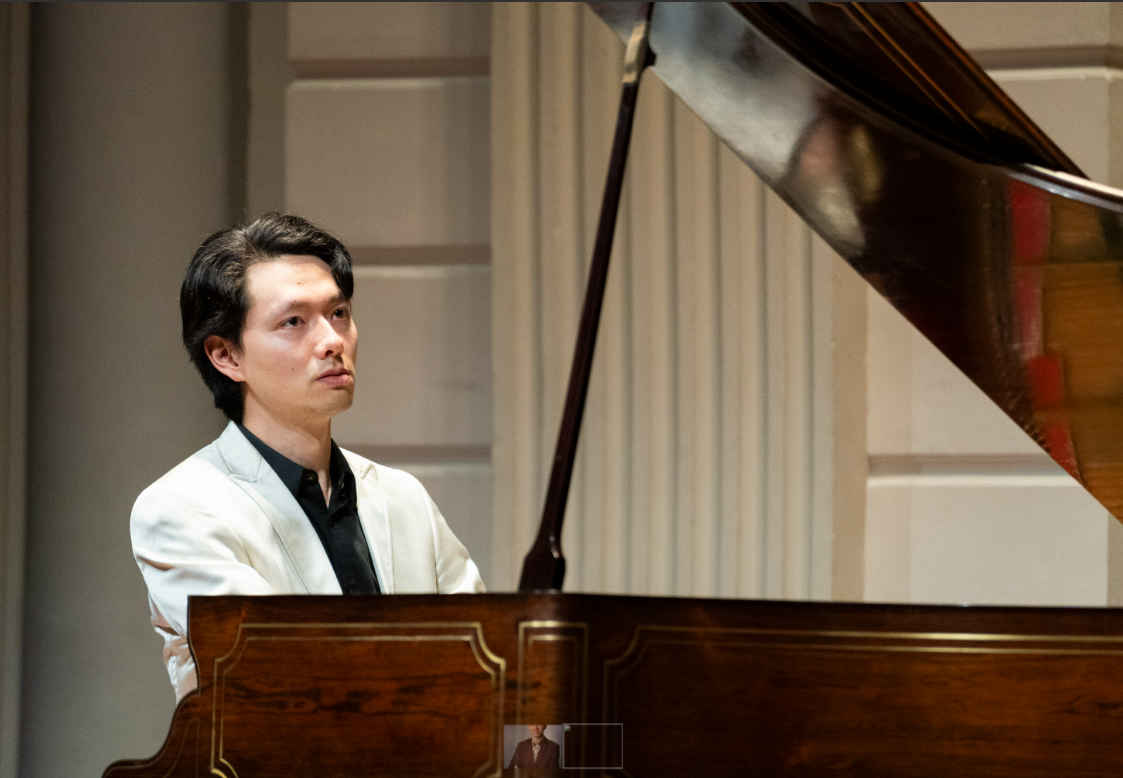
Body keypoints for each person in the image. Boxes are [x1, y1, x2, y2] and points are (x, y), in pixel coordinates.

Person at [131, 213, 484, 701]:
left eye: (339, 313)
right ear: (226, 356)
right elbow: (286, 674)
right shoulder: (179, 507)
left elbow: (486, 663)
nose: (332, 341)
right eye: (293, 322)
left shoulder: (405, 499)